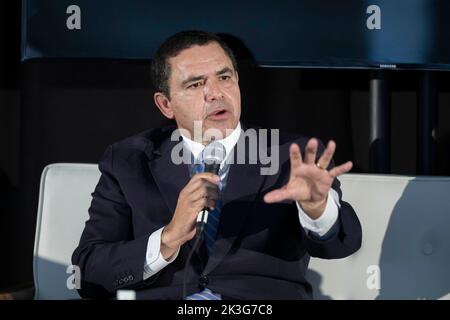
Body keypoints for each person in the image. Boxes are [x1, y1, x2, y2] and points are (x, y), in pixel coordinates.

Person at [72, 30, 362, 300]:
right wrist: (168, 238)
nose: (215, 93)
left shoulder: (293, 155)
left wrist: (316, 209)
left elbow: (340, 245)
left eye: (224, 78)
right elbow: (89, 274)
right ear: (165, 104)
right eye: (196, 84)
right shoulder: (128, 160)